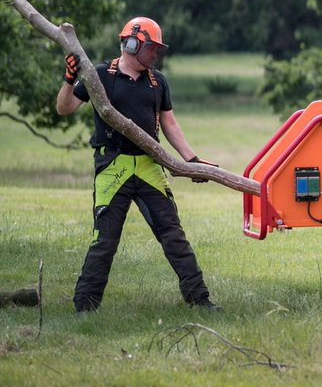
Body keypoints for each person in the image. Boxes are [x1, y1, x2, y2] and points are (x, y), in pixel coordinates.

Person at [56, 16, 220, 313]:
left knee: (173, 235)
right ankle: (84, 308)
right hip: (112, 165)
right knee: (104, 240)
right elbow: (64, 108)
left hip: (149, 165)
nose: (155, 54)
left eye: (157, 48)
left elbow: (169, 123)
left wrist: (192, 161)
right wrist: (69, 80)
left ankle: (200, 299)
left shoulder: (158, 82)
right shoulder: (100, 75)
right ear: (132, 43)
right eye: (152, 47)